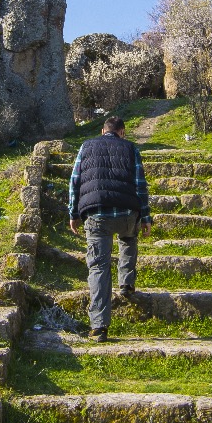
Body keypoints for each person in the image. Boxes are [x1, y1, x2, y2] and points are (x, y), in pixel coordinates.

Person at [68, 115, 153, 342]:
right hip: (127, 212)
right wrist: (145, 217)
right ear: (122, 132)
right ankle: (126, 282)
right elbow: (140, 184)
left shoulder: (86, 146)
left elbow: (74, 180)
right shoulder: (130, 148)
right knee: (128, 238)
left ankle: (99, 327)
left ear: (102, 131)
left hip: (96, 213)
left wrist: (73, 213)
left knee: (98, 267)